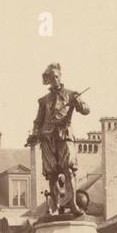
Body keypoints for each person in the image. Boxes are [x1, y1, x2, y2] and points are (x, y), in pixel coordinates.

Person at [25, 62, 90, 216]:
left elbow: (86, 110)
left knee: (69, 170)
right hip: (47, 138)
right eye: (51, 78)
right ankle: (54, 207)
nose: (54, 80)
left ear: (60, 76)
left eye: (56, 76)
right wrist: (34, 133)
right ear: (47, 80)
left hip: (64, 135)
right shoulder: (43, 101)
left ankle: (73, 204)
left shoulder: (71, 94)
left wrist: (78, 102)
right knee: (52, 174)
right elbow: (37, 122)